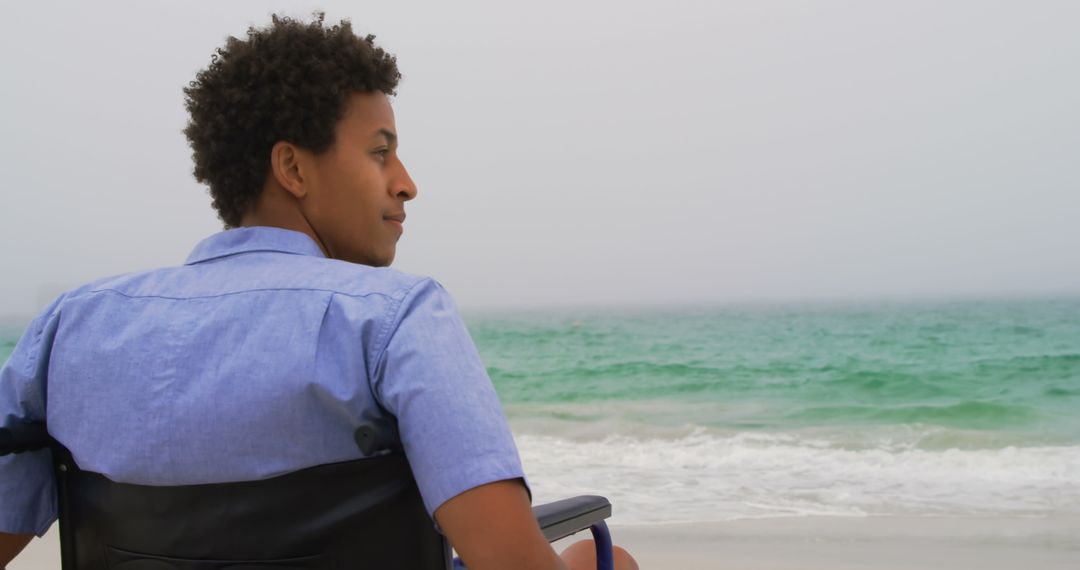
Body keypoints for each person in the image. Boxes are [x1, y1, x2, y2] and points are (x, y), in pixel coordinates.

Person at [0, 12, 638, 570]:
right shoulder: (396, 318)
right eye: (381, 153)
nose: (407, 183)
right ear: (294, 168)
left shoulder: (70, 328)